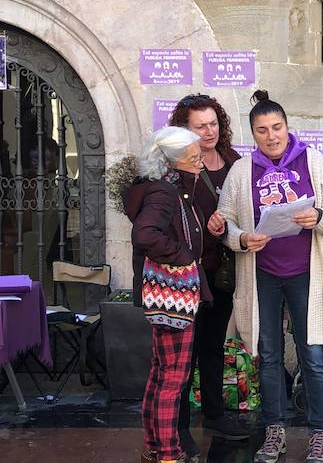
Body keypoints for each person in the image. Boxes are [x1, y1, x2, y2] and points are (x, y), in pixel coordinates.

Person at [217, 90, 323, 463]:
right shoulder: (242, 170)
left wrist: (318, 217)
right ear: (252, 134)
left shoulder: (312, 161)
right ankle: (274, 431)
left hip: (306, 273)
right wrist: (241, 237)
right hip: (263, 276)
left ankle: (319, 432)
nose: (271, 136)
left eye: (277, 127)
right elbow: (226, 221)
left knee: (313, 356)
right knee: (268, 356)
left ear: (288, 127)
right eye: (262, 130)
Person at [124, 127, 218, 463]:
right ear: (172, 161)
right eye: (194, 159)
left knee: (161, 371)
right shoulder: (164, 192)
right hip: (173, 293)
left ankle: (154, 445)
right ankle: (166, 452)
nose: (200, 164)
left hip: (165, 294)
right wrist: (184, 256)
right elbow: (145, 234)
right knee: (173, 377)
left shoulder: (161, 186)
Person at [170, 94, 248, 444]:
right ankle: (179, 426)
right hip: (189, 274)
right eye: (200, 125)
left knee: (214, 343)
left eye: (213, 123)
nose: (209, 131)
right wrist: (208, 223)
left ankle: (214, 415)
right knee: (185, 351)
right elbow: (171, 216)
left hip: (224, 271)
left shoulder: (234, 161)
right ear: (184, 129)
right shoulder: (177, 165)